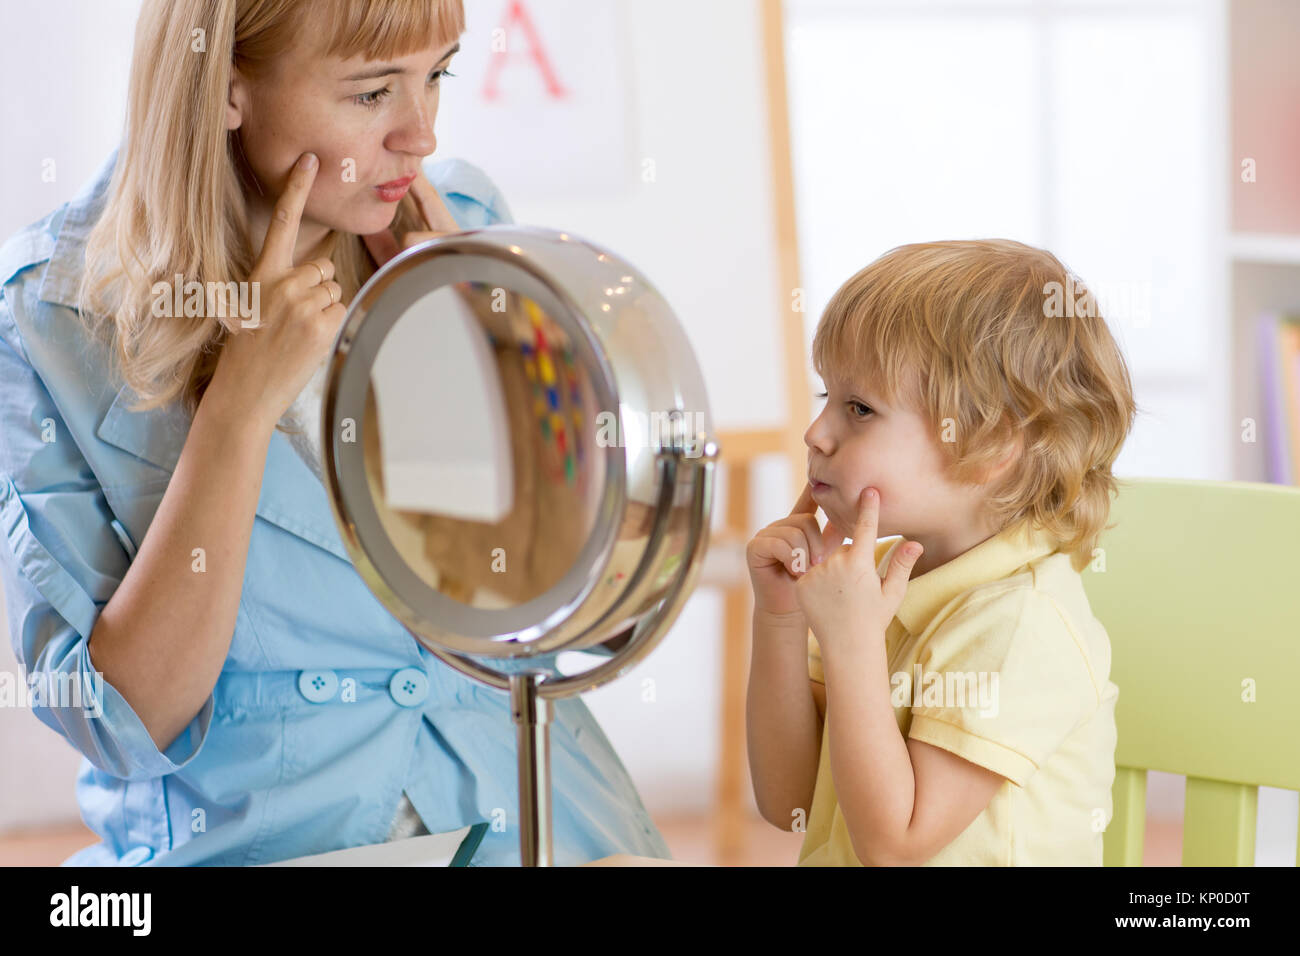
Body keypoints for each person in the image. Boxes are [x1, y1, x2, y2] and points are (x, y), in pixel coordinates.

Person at [0, 0, 670, 866]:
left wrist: (484, 358)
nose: (419, 135)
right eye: (370, 94)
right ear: (227, 87)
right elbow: (127, 721)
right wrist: (236, 415)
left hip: (530, 813)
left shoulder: (457, 221)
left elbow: (575, 608)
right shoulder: (48, 319)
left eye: (438, 75)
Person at [746, 239, 1137, 865]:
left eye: (859, 408)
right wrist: (781, 616)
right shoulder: (872, 582)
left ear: (990, 445)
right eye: (827, 398)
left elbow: (894, 846)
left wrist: (852, 644)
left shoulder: (1020, 625)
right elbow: (788, 800)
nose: (816, 434)